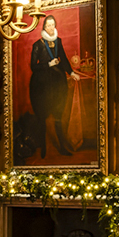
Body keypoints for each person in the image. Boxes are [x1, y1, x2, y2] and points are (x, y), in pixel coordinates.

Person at [28, 15, 80, 157]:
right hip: (42, 85)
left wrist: (71, 72)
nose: (51, 28)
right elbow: (33, 66)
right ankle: (44, 147)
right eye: (48, 25)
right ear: (44, 27)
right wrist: (48, 64)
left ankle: (62, 147)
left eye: (53, 25)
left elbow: (63, 59)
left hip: (57, 83)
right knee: (43, 116)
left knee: (58, 115)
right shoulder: (38, 45)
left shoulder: (58, 41)